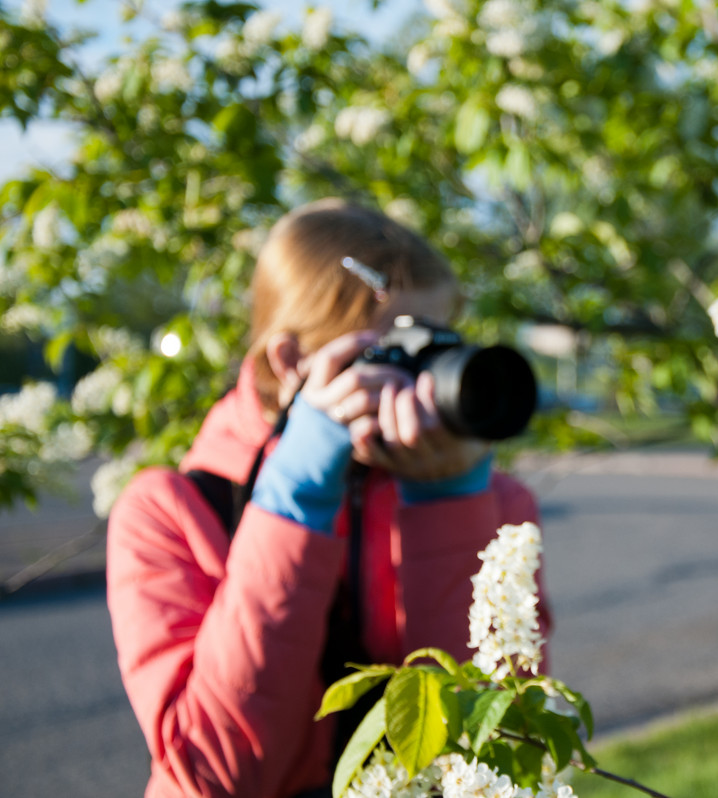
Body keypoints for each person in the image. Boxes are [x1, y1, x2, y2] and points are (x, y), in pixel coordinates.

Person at [106, 199, 548, 798]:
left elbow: (499, 744)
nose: (424, 382)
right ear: (291, 362)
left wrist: (450, 505)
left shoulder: (495, 506)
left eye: (439, 346)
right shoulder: (168, 513)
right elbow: (216, 775)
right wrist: (293, 504)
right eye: (397, 351)